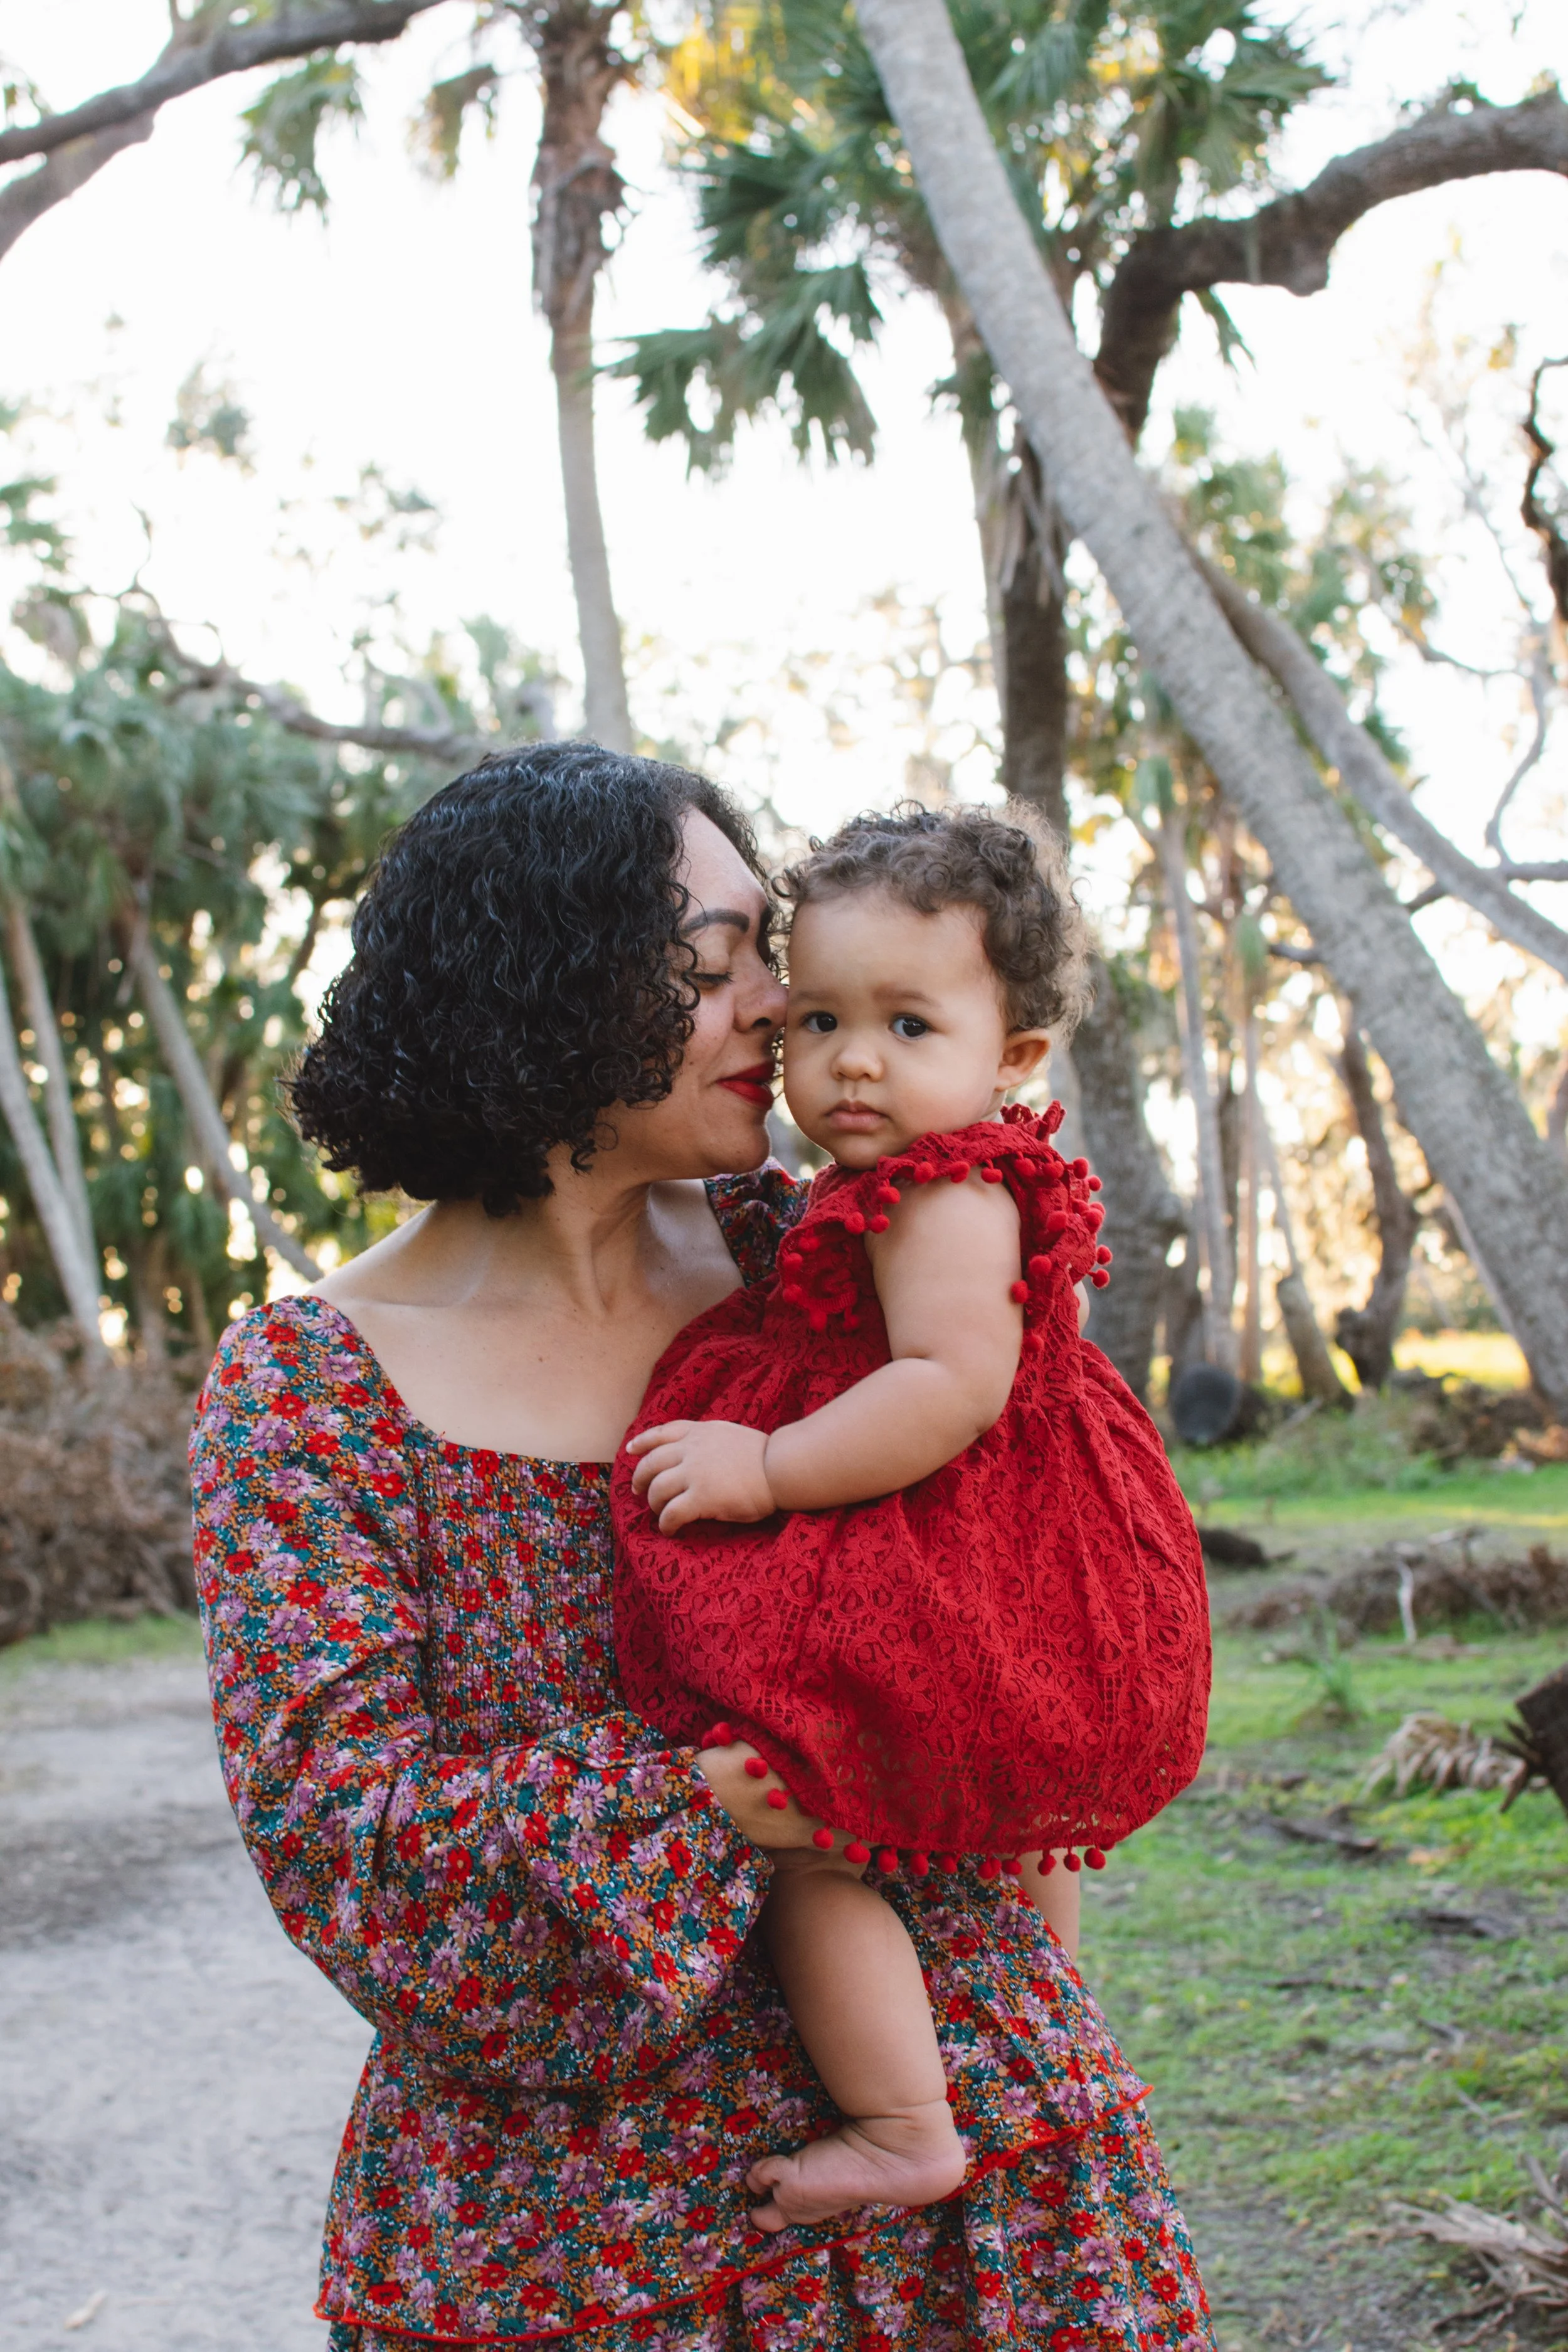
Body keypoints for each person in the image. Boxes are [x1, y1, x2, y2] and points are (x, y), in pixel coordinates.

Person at [190, 744, 1216, 2350]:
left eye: (780, 968)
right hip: (572, 2240)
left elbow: (1017, 1556)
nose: (778, 1015)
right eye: (726, 968)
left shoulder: (813, 1254)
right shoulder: (312, 1391)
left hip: (975, 2163)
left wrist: (1047, 1979)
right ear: (548, 983)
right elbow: (347, 1851)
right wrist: (726, 1787)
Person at [613, 806, 1210, 2240]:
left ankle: (900, 2124)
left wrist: (764, 1468)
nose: (850, 1059)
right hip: (1008, 1557)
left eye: (905, 1023)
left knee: (811, 1845)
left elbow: (945, 1387)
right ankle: (1043, 2012)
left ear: (1013, 1058)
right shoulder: (916, 1172)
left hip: (962, 1553)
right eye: (816, 1018)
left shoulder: (944, 1191)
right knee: (1020, 1832)